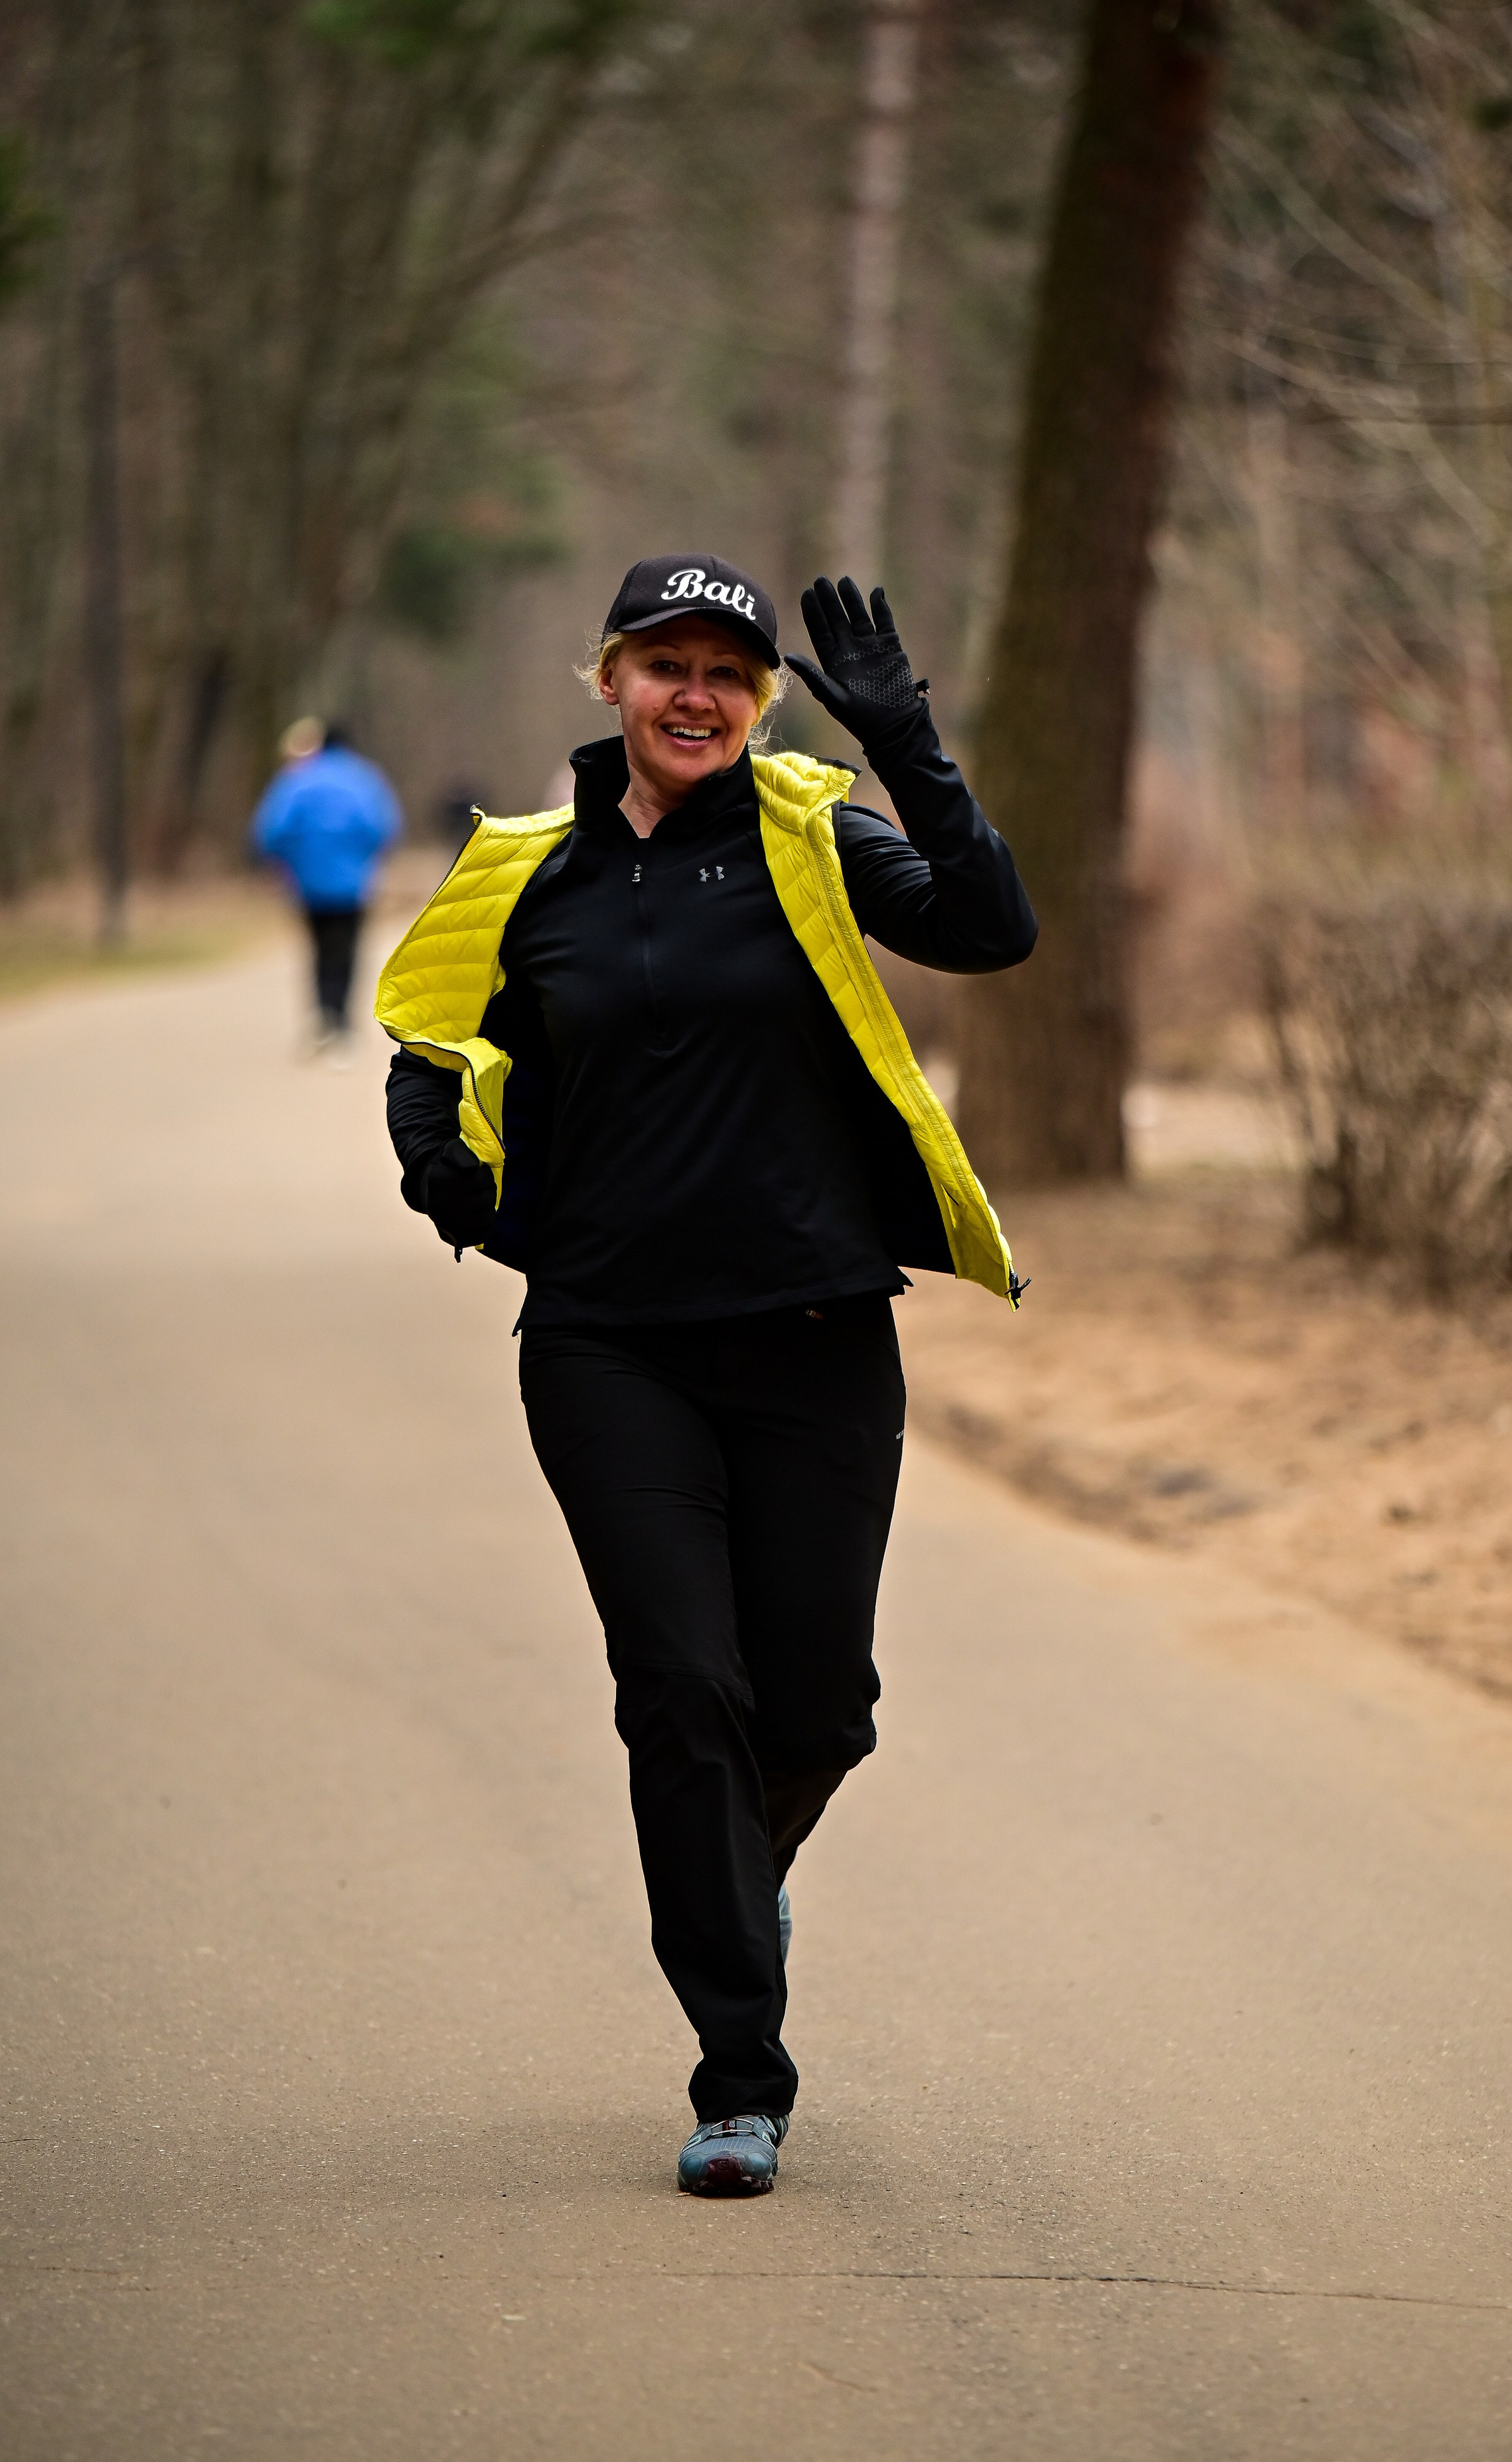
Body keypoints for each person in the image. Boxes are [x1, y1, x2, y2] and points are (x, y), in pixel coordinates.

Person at [376, 554, 1036, 2196]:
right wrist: (451, 1175)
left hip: (814, 1329)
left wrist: (912, 751)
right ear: (606, 680)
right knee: (682, 1685)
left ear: (754, 698)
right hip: (608, 1346)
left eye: (726, 671)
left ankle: (741, 1872)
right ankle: (740, 2070)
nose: (696, 693)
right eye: (663, 662)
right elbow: (429, 1039)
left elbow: (991, 929)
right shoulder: (522, 871)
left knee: (816, 1704)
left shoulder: (814, 832)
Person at [252, 717, 403, 1057]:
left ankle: (323, 1017)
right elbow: (384, 826)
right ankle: (342, 1023)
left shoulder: (298, 779)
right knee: (347, 949)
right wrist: (367, 858)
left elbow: (271, 830)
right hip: (354, 883)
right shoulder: (365, 778)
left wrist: (285, 862)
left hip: (308, 884)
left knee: (318, 948)